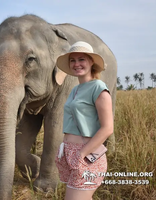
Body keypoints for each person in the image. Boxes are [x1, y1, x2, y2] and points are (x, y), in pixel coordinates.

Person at [55, 41, 114, 200]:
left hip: (87, 156)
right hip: (70, 153)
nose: (76, 64)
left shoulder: (98, 87)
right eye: (72, 60)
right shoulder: (75, 89)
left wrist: (80, 154)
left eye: (81, 59)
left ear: (91, 61)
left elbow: (108, 128)